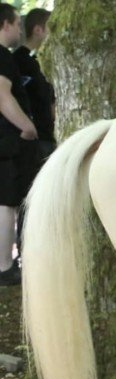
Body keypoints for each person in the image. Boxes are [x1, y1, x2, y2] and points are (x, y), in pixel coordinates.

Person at [0, 3, 38, 286]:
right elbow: (2, 96)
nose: (19, 31)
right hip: (8, 141)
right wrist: (27, 126)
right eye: (16, 24)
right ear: (4, 25)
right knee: (6, 202)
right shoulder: (2, 57)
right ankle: (4, 267)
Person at [13, 8, 55, 160]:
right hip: (33, 137)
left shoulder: (48, 60)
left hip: (48, 134)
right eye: (52, 29)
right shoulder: (18, 61)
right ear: (38, 30)